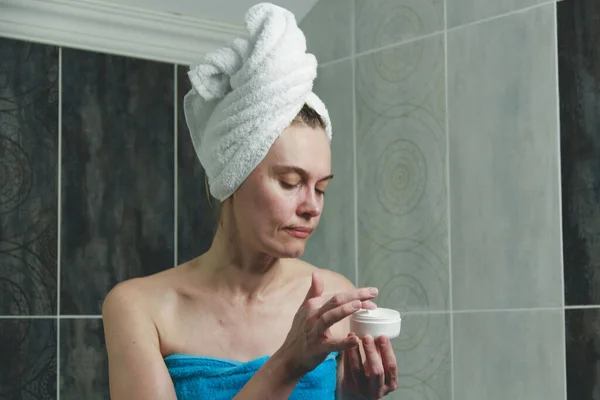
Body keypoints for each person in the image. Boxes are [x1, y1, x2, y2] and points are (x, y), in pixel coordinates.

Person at [102, 3, 398, 399]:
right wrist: (288, 363)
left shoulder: (330, 298)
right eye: (291, 182)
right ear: (234, 177)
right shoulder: (140, 309)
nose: (312, 206)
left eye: (321, 187)